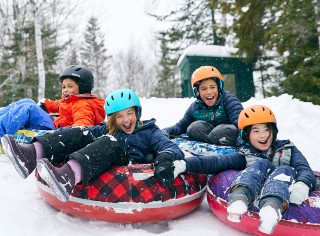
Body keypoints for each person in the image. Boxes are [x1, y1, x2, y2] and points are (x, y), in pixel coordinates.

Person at [1, 88, 184, 202]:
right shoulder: (108, 129)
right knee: (84, 131)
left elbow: (172, 148)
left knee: (110, 141)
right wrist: (55, 137)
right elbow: (80, 134)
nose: (126, 120)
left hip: (129, 165)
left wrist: (165, 157)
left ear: (137, 112)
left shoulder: (150, 131)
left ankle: (67, 177)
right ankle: (31, 155)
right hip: (105, 159)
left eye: (129, 113)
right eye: (119, 116)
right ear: (113, 119)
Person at [171, 105, 316, 234]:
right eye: (256, 131)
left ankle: (272, 209)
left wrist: (302, 184)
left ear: (274, 131)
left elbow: (304, 169)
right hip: (253, 184)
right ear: (246, 135)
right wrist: (185, 164)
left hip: (282, 188)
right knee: (261, 165)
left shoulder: (287, 150)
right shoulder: (245, 156)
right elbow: (215, 162)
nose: (263, 135)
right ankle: (240, 199)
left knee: (285, 169)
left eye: (267, 129)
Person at [0, 65, 106, 137]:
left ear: (83, 87)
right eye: (64, 87)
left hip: (54, 131)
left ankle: (1, 130)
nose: (65, 90)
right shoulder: (71, 101)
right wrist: (45, 104)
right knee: (28, 101)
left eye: (70, 86)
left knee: (29, 108)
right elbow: (57, 105)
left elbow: (83, 124)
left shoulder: (81, 105)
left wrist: (72, 131)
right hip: (54, 124)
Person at [163, 66, 243, 147]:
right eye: (203, 89)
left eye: (212, 87)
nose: (209, 92)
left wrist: (241, 145)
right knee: (193, 127)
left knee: (219, 132)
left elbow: (241, 126)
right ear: (197, 92)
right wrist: (165, 132)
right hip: (209, 139)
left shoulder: (229, 101)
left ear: (219, 88)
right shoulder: (195, 107)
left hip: (228, 137)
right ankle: (211, 143)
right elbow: (181, 126)